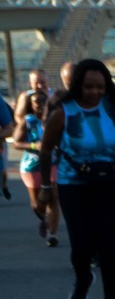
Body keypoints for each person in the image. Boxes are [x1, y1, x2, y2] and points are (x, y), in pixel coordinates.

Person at [37, 59, 115, 299]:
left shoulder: (113, 107)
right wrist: (45, 186)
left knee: (107, 243)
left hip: (110, 181)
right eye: (88, 87)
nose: (94, 92)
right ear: (78, 85)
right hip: (73, 184)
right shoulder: (63, 112)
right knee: (80, 245)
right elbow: (45, 149)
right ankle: (83, 277)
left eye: (100, 87)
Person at [12, 78, 60, 245]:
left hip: (53, 163)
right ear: (30, 105)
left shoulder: (55, 118)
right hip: (31, 166)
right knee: (37, 203)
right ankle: (43, 218)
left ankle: (52, 234)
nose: (39, 104)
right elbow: (16, 142)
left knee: (54, 198)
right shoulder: (28, 121)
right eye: (35, 102)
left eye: (42, 101)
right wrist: (34, 145)